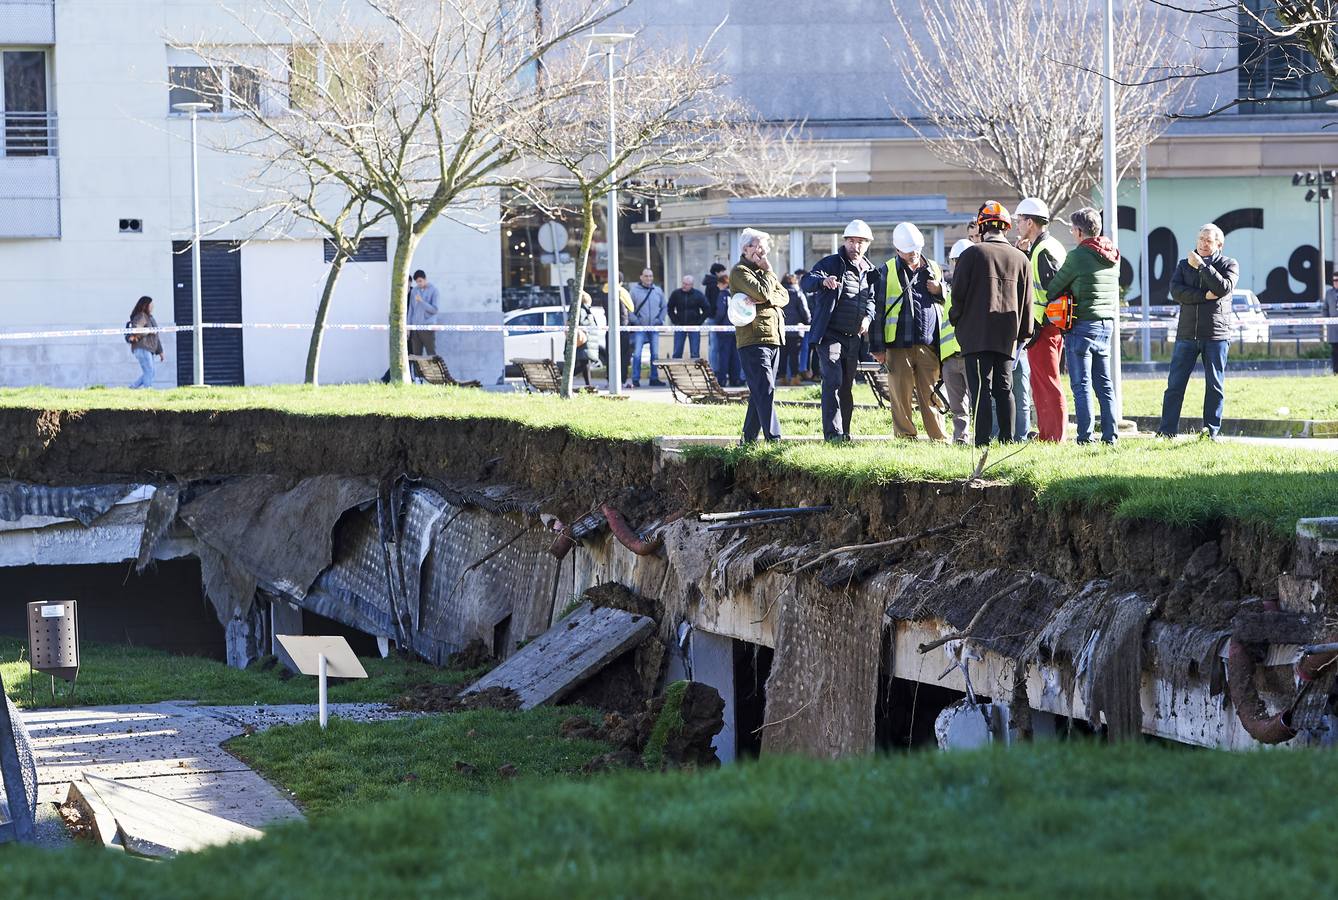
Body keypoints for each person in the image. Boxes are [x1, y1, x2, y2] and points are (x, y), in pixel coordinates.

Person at [949, 202, 1034, 447]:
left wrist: (958, 322)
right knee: (1004, 389)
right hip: (1007, 336)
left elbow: (958, 296)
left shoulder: (972, 255)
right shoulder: (1021, 259)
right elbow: (1028, 302)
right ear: (1006, 228)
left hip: (975, 336)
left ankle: (983, 443)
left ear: (982, 226)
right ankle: (1007, 441)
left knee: (981, 391)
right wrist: (1023, 334)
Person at [1155, 224, 1241, 439]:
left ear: (1219, 244)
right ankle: (1167, 431)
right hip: (1186, 334)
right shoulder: (1184, 265)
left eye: (1208, 240)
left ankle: (1211, 431)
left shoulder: (1229, 264)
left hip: (1215, 335)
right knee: (1174, 385)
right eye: (1200, 239)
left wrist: (1203, 266)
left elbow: (1222, 288)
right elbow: (1177, 292)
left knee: (1214, 386)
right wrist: (1203, 296)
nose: (1203, 243)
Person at [1046, 207, 1121, 444]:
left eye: (1072, 229)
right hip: (1105, 324)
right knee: (1104, 384)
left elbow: (1053, 289)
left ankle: (1085, 437)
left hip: (1082, 326)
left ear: (1079, 231)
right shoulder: (1113, 255)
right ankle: (1111, 436)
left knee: (1081, 385)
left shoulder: (1078, 256)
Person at [801, 220, 881, 442]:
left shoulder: (870, 271)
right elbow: (806, 282)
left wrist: (868, 317)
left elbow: (872, 299)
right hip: (830, 334)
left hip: (853, 338)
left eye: (861, 242)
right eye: (852, 241)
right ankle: (832, 435)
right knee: (833, 382)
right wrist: (823, 281)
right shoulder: (832, 263)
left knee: (847, 387)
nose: (856, 246)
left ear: (867, 244)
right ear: (845, 241)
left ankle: (845, 433)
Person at [871, 221, 947, 441]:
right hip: (898, 344)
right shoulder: (886, 270)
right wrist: (877, 347)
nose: (913, 255)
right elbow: (878, 309)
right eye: (907, 252)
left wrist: (940, 289)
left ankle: (939, 438)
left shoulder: (933, 267)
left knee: (931, 393)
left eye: (915, 250)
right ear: (897, 250)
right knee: (901, 396)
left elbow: (946, 300)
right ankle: (905, 437)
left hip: (928, 343)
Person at [1015, 198, 1069, 442]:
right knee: (1043, 383)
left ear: (1029, 222)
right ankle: (1048, 434)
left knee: (1047, 383)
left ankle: (1054, 437)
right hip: (1050, 326)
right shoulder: (1047, 246)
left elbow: (1051, 291)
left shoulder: (1043, 250)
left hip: (1044, 328)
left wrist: (1036, 324)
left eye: (1019, 220)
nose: (1017, 225)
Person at [730, 229, 789, 442]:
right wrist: (769, 273)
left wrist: (765, 294)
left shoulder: (764, 273)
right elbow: (763, 293)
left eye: (765, 246)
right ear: (746, 248)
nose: (763, 251)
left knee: (759, 392)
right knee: (765, 389)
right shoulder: (740, 272)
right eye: (758, 246)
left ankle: (748, 439)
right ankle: (774, 439)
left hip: (774, 336)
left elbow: (784, 296)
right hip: (753, 339)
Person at [942, 239, 974, 444]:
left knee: (978, 402)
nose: (957, 265)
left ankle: (981, 438)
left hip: (971, 355)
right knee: (957, 406)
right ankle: (960, 439)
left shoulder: (978, 291)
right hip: (950, 357)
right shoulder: (948, 289)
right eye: (955, 261)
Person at [627, 268, 666, 387]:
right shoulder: (634, 291)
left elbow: (664, 307)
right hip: (640, 328)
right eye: (646, 276)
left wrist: (659, 320)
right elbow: (629, 308)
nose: (649, 278)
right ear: (641, 277)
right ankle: (635, 379)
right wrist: (636, 322)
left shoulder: (657, 291)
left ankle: (654, 378)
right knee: (637, 354)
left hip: (653, 327)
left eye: (651, 276)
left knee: (655, 354)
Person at [667, 275, 712, 360]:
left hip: (694, 327)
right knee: (677, 352)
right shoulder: (676, 294)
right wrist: (675, 321)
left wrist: (699, 322)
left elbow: (707, 309)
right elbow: (670, 308)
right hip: (680, 326)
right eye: (683, 283)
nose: (684, 285)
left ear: (692, 285)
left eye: (687, 284)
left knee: (695, 353)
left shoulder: (698, 295)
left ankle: (695, 372)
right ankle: (676, 372)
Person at [712, 271, 744, 386]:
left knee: (724, 356)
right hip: (735, 328)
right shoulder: (735, 295)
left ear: (723, 284)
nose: (717, 286)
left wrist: (716, 322)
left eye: (719, 284)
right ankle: (735, 379)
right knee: (735, 356)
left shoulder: (722, 295)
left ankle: (722, 380)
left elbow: (720, 312)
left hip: (724, 329)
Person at [126, 295, 164, 389]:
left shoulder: (150, 318)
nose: (153, 306)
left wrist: (160, 352)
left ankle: (132, 387)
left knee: (150, 371)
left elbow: (156, 335)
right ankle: (147, 389)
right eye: (151, 304)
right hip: (142, 347)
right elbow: (136, 330)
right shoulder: (141, 316)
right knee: (149, 371)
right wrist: (149, 330)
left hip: (149, 348)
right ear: (145, 305)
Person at [780, 272, 811, 385]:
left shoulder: (778, 293)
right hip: (796, 329)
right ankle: (794, 378)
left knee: (782, 355)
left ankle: (782, 377)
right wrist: (808, 322)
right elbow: (804, 311)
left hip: (781, 329)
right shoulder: (798, 293)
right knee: (794, 355)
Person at [408, 269, 439, 357]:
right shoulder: (414, 291)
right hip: (415, 328)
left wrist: (422, 301)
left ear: (425, 279)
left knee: (431, 354)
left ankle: (434, 371)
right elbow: (411, 310)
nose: (419, 284)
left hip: (427, 328)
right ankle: (418, 371)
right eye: (417, 282)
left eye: (420, 281)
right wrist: (408, 327)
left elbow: (435, 310)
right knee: (416, 355)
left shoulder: (434, 291)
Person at [793, 268, 817, 382]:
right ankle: (802, 371)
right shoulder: (798, 292)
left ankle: (807, 371)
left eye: (800, 278)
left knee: (807, 349)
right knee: (802, 350)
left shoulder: (808, 291)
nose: (798, 280)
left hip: (808, 324)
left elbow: (810, 308)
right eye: (797, 278)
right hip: (801, 325)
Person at [574, 291, 600, 387]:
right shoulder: (583, 310)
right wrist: (590, 318)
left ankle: (588, 384)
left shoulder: (584, 309)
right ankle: (588, 384)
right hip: (584, 341)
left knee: (585, 364)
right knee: (584, 365)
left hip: (586, 341)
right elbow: (581, 322)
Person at [1327, 272, 1338, 375]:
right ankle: (1335, 372)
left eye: (1337, 280)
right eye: (1334, 280)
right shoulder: (1329, 293)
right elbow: (1325, 309)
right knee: (1335, 351)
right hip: (1333, 328)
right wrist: (1326, 322)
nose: (1336, 282)